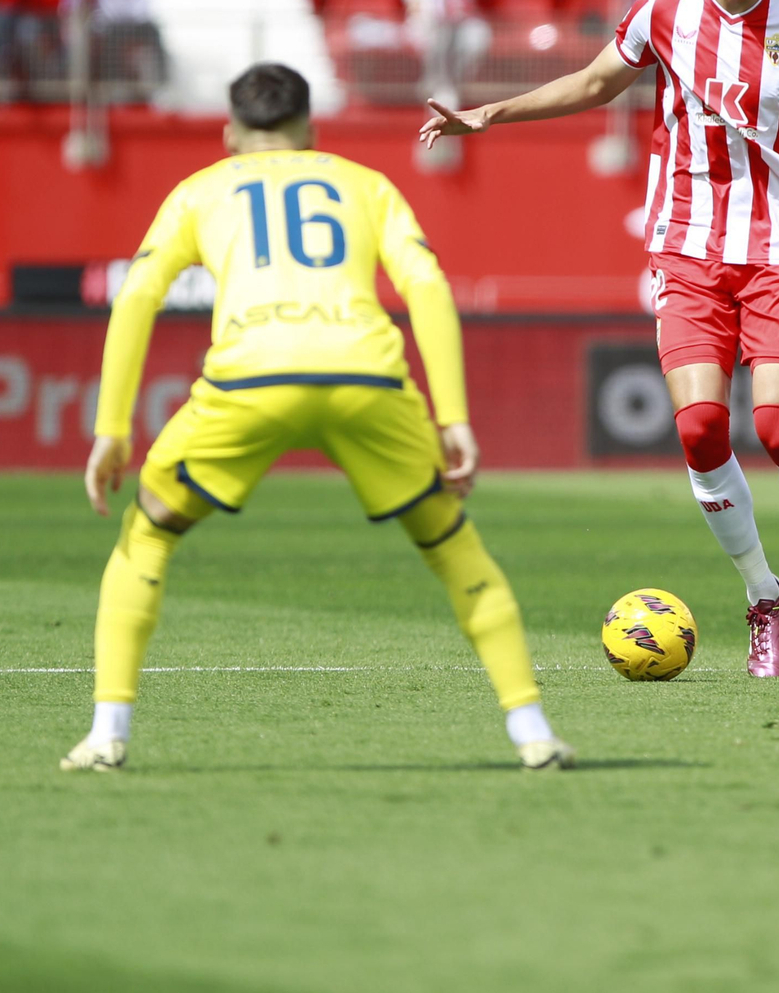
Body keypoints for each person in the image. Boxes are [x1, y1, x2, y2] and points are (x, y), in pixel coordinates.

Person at [420, 0, 779, 678]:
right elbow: (598, 82)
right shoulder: (664, 5)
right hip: (689, 248)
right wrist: (491, 113)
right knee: (700, 431)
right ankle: (764, 596)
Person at [64, 62, 572, 772]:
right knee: (452, 544)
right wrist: (452, 414)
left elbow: (139, 294)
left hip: (250, 377)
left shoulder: (200, 189)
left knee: (147, 531)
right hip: (364, 372)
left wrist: (110, 428)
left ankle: (107, 734)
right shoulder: (364, 184)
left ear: (230, 132)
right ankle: (532, 731)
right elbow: (425, 283)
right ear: (310, 128)